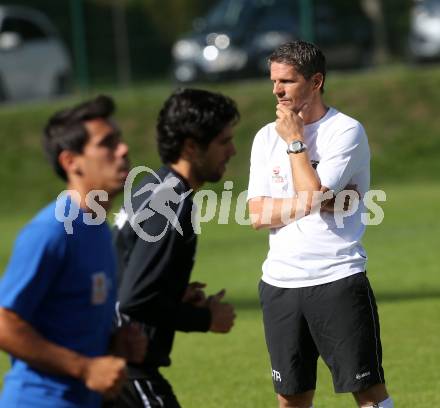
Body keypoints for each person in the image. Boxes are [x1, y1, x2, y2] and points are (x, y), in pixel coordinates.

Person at [247, 41, 393, 408]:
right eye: (274, 81)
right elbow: (257, 215)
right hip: (279, 285)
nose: (277, 90)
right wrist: (315, 200)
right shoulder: (265, 138)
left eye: (288, 81)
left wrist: (296, 142)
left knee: (369, 395)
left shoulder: (346, 131)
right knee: (291, 399)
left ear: (316, 82)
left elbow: (310, 195)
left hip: (337, 279)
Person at [0, 95, 146, 407]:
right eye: (107, 144)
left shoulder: (96, 229)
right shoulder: (51, 232)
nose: (123, 150)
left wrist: (116, 344)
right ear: (71, 161)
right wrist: (85, 368)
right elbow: (4, 322)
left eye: (119, 140)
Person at [110, 88, 238, 407]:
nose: (233, 151)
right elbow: (134, 300)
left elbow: (128, 272)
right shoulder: (170, 201)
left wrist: (174, 293)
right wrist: (206, 320)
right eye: (223, 142)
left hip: (116, 361)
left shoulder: (156, 185)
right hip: (127, 371)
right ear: (192, 146)